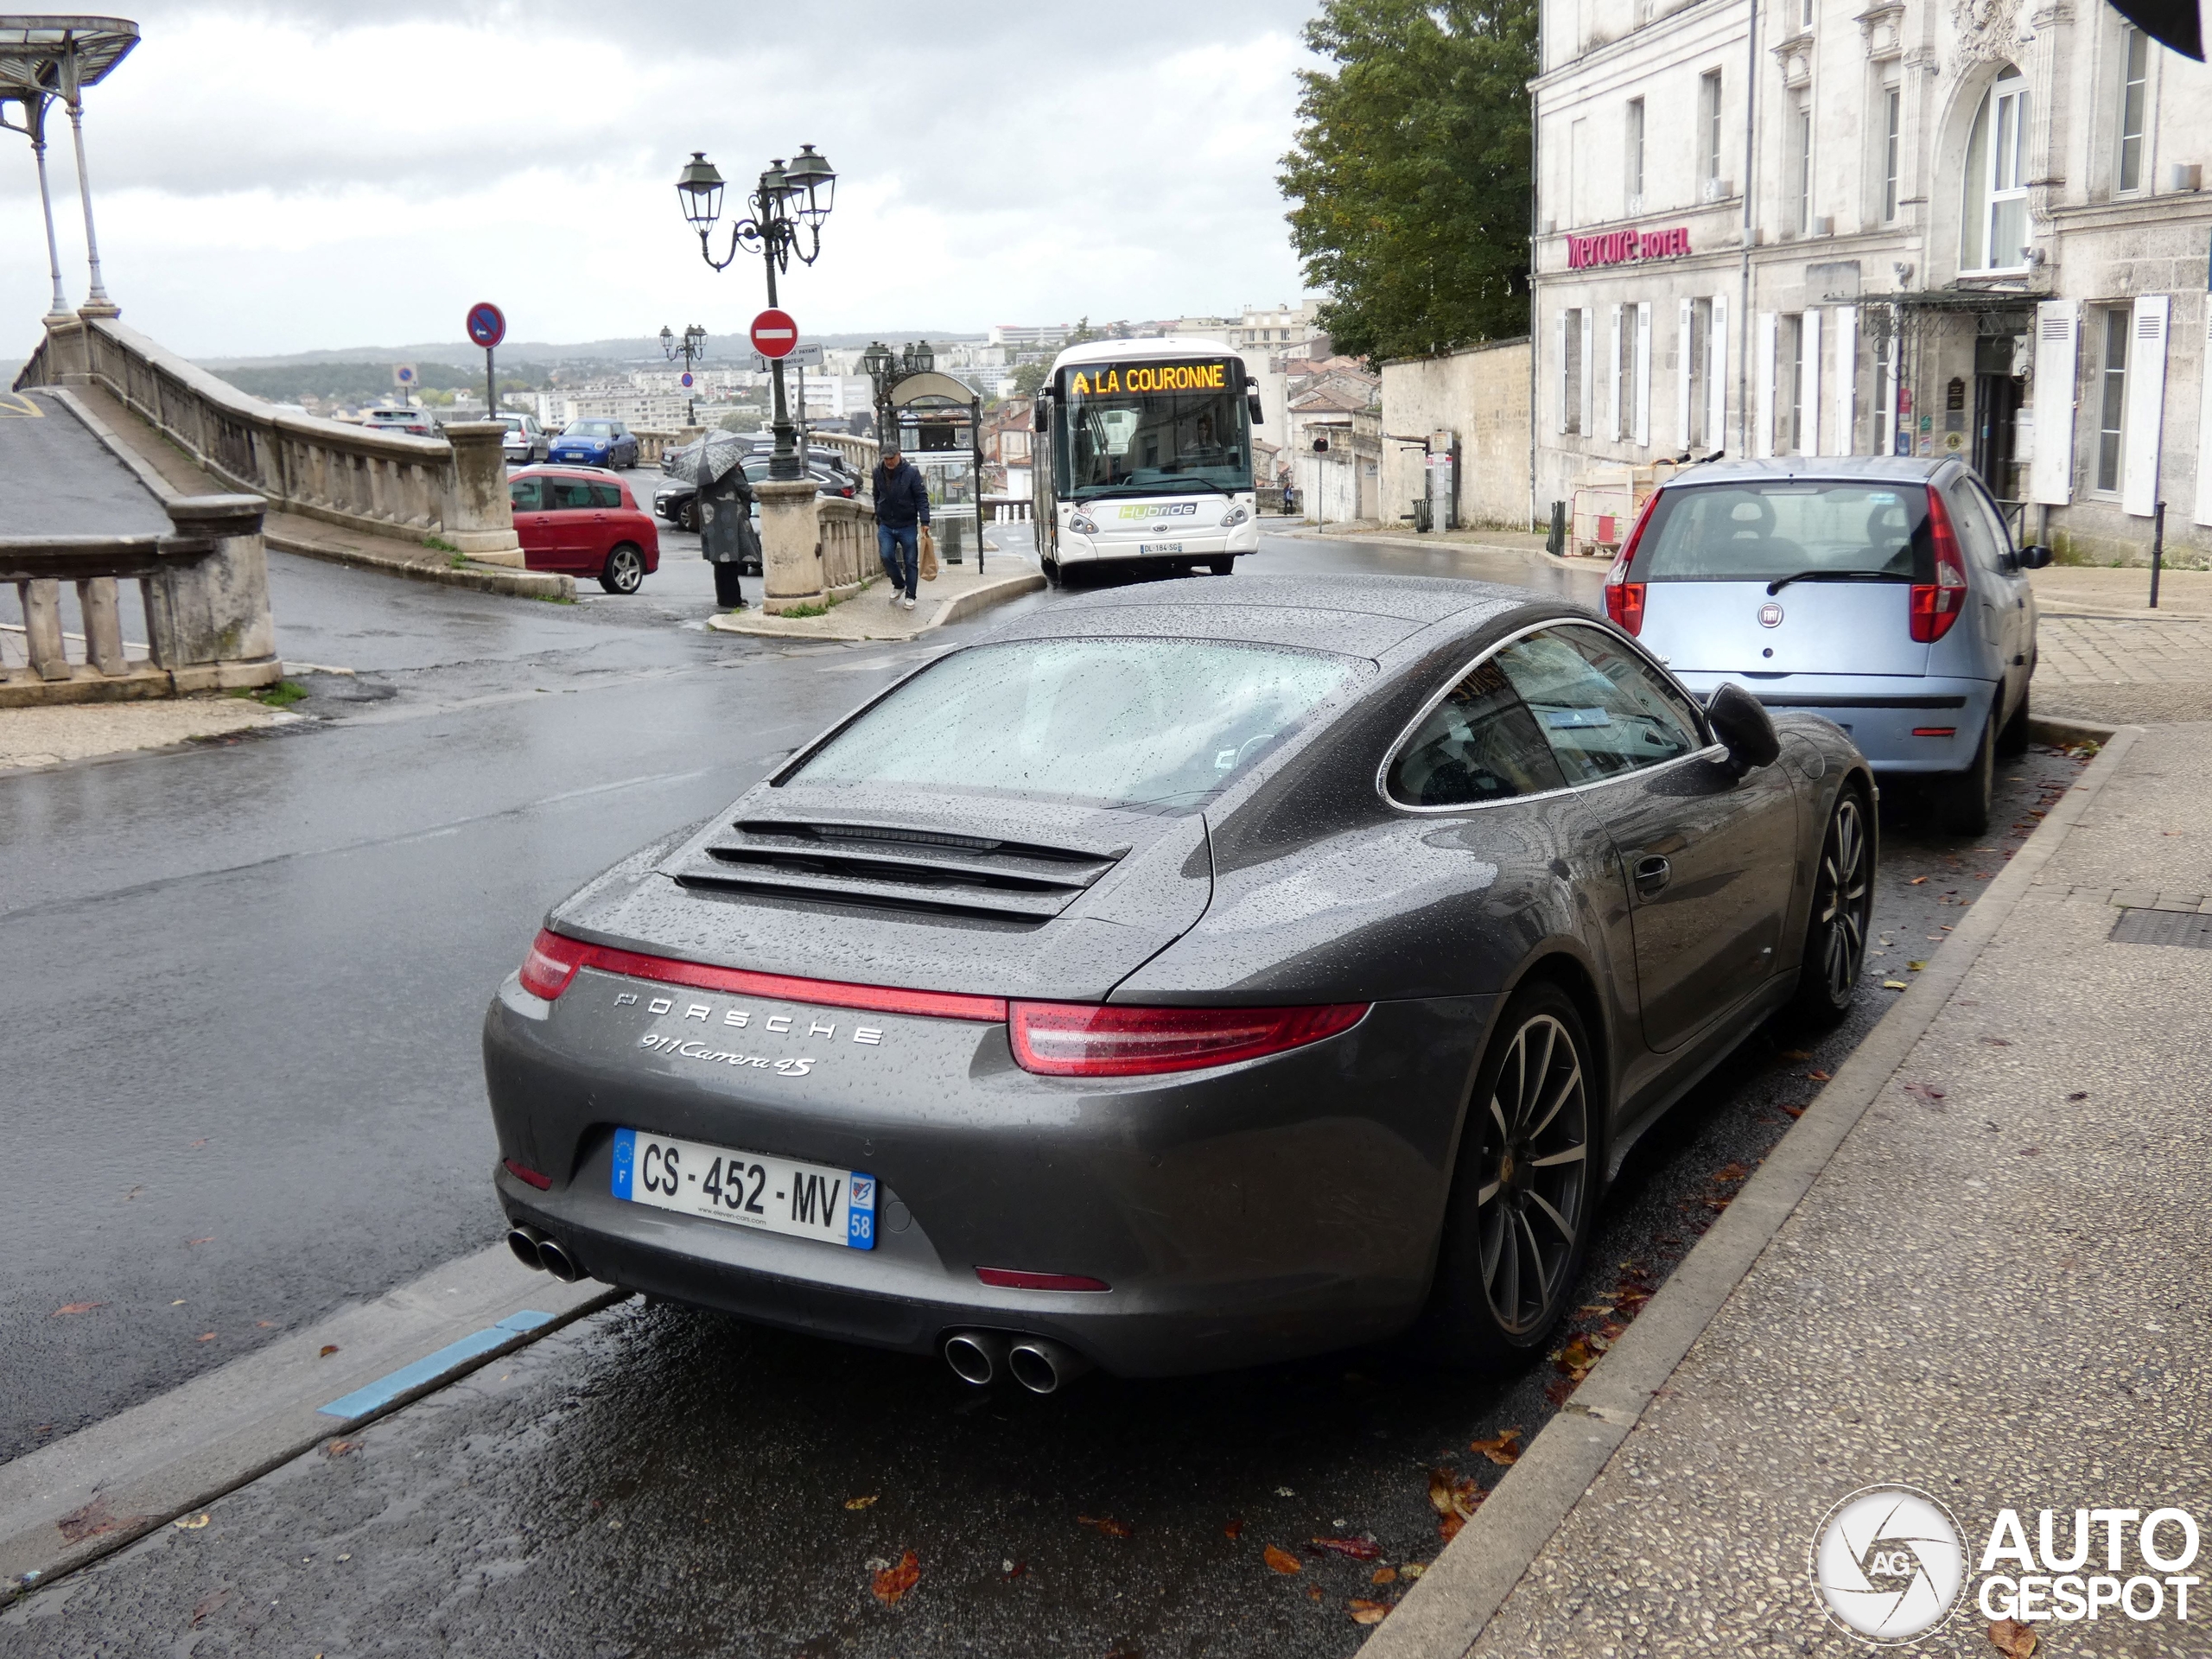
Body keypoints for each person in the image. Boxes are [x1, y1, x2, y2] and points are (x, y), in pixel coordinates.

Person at [871, 443, 931, 612]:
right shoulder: (878, 473)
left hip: (907, 524)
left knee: (910, 561)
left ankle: (911, 596)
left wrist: (925, 521)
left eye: (891, 458)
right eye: (886, 459)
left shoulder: (911, 473)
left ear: (899, 455)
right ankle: (899, 584)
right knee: (886, 555)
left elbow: (921, 497)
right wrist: (879, 514)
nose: (889, 462)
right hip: (886, 523)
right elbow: (876, 495)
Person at [697, 463, 757, 610]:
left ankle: (723, 598)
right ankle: (733, 599)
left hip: (711, 523)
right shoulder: (730, 473)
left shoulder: (705, 476)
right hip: (728, 523)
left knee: (719, 562)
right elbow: (748, 492)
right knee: (731, 562)